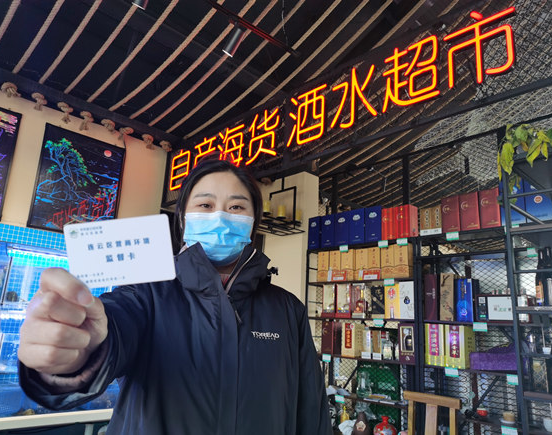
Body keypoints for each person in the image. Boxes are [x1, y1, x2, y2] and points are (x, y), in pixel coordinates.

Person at [18, 158, 332, 435]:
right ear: (182, 218)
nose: (220, 217)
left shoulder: (287, 308)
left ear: (253, 222)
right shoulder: (145, 293)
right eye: (205, 205)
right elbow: (113, 331)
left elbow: (311, 409)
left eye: (236, 207)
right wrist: (82, 351)